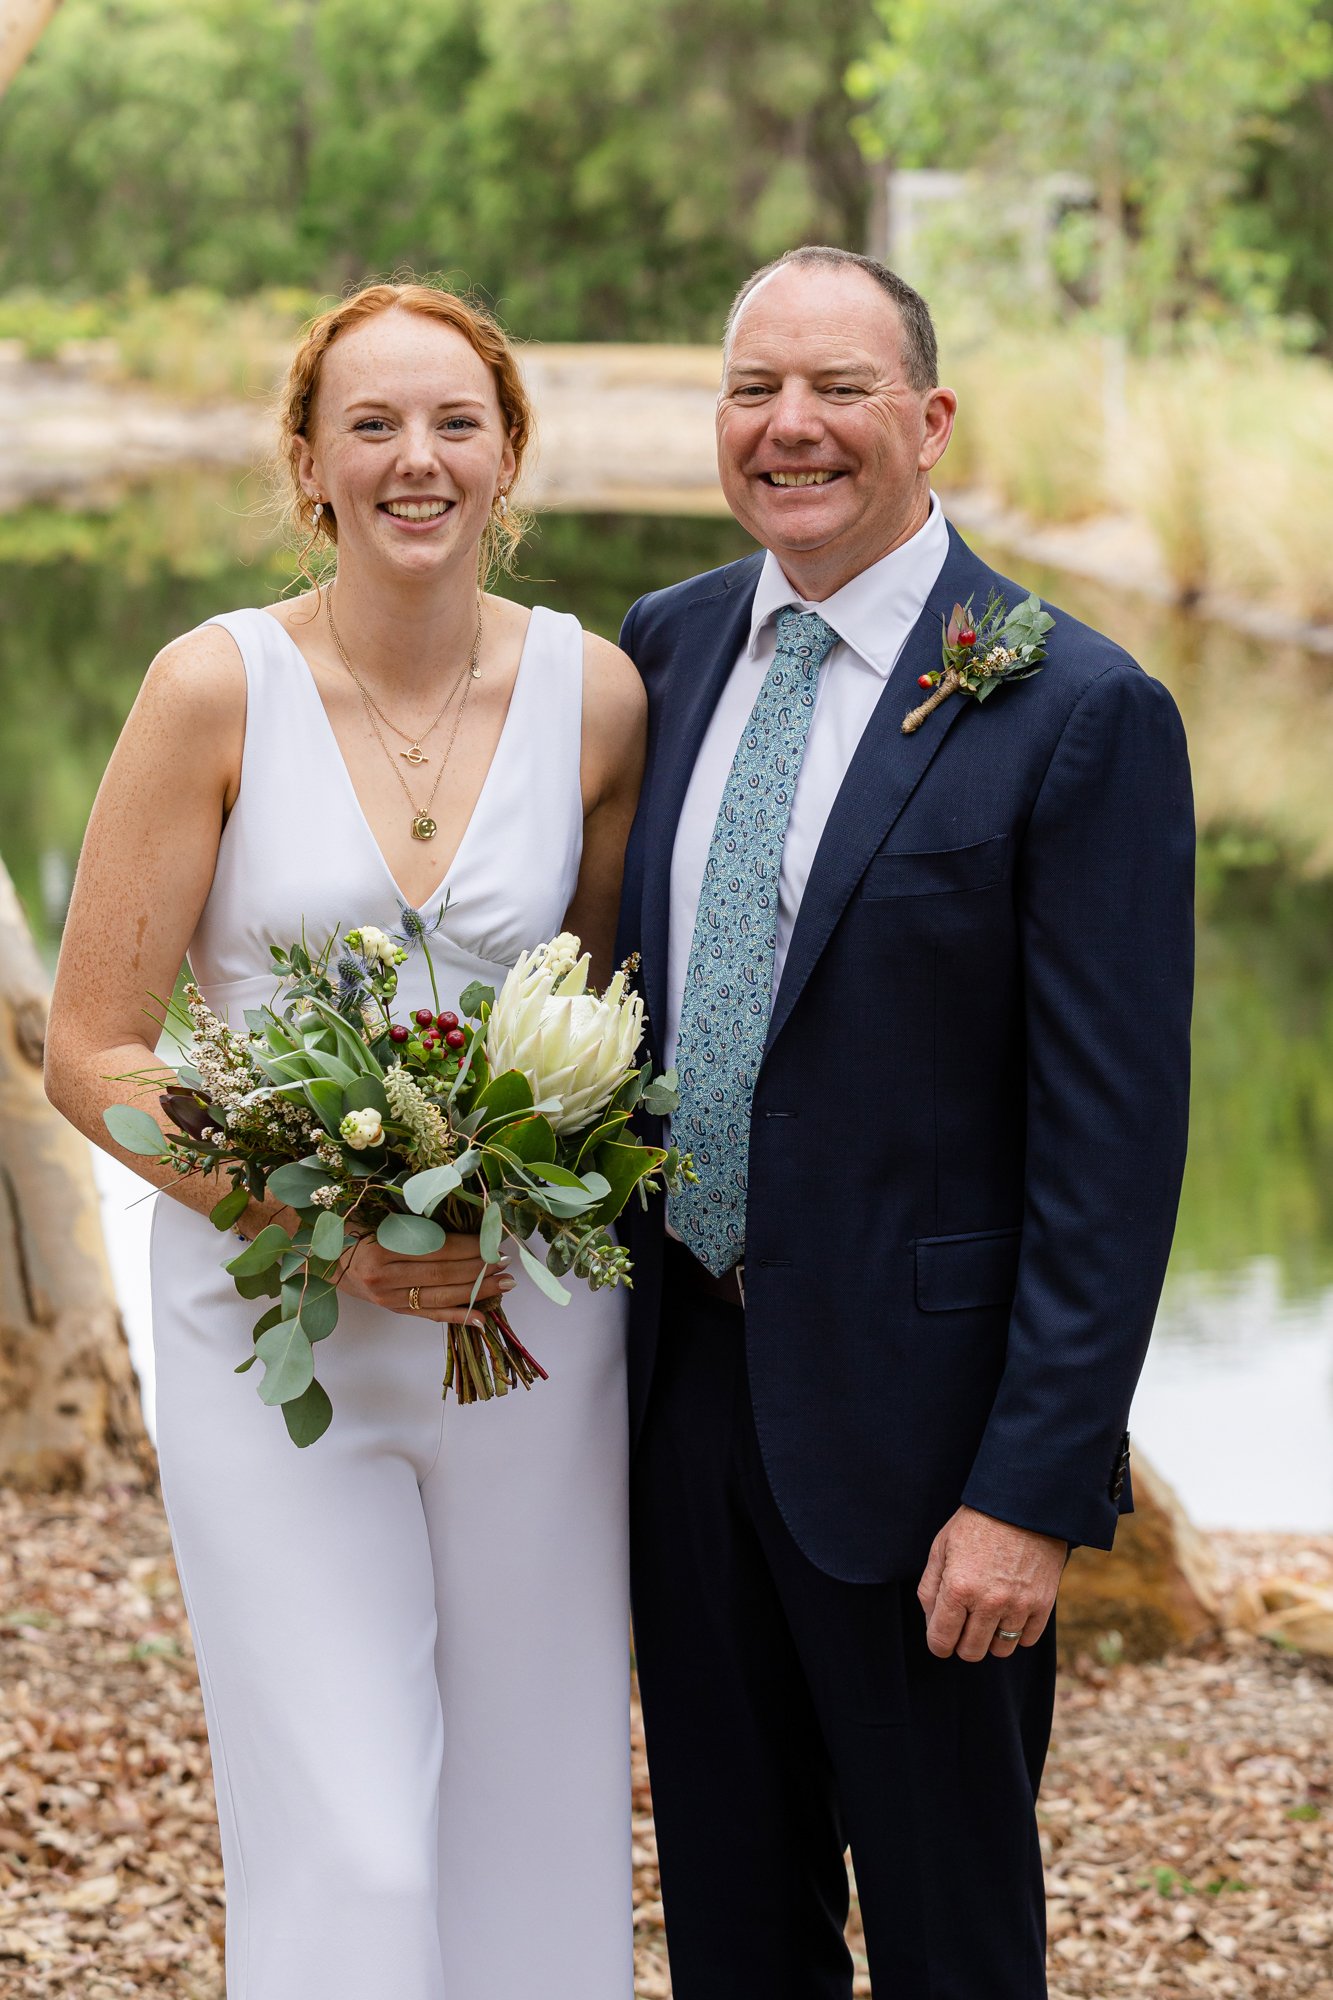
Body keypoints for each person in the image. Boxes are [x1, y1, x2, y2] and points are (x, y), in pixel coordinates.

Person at [44, 280, 646, 2000]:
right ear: (307, 464)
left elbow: (592, 1028)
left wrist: (518, 1189)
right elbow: (95, 1050)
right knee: (356, 1843)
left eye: (455, 422)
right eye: (371, 424)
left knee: (537, 1821)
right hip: (277, 1336)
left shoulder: (595, 699)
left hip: (528, 1334)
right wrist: (321, 1220)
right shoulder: (208, 687)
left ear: (510, 456)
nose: (415, 459)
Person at [616, 246, 1194, 1998]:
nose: (789, 427)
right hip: (684, 1404)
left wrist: (1028, 1490)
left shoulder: (1075, 708)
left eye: (838, 389)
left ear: (928, 420)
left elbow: (1112, 1155)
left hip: (926, 1452)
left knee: (950, 1940)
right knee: (731, 1922)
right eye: (750, 390)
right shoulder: (670, 645)